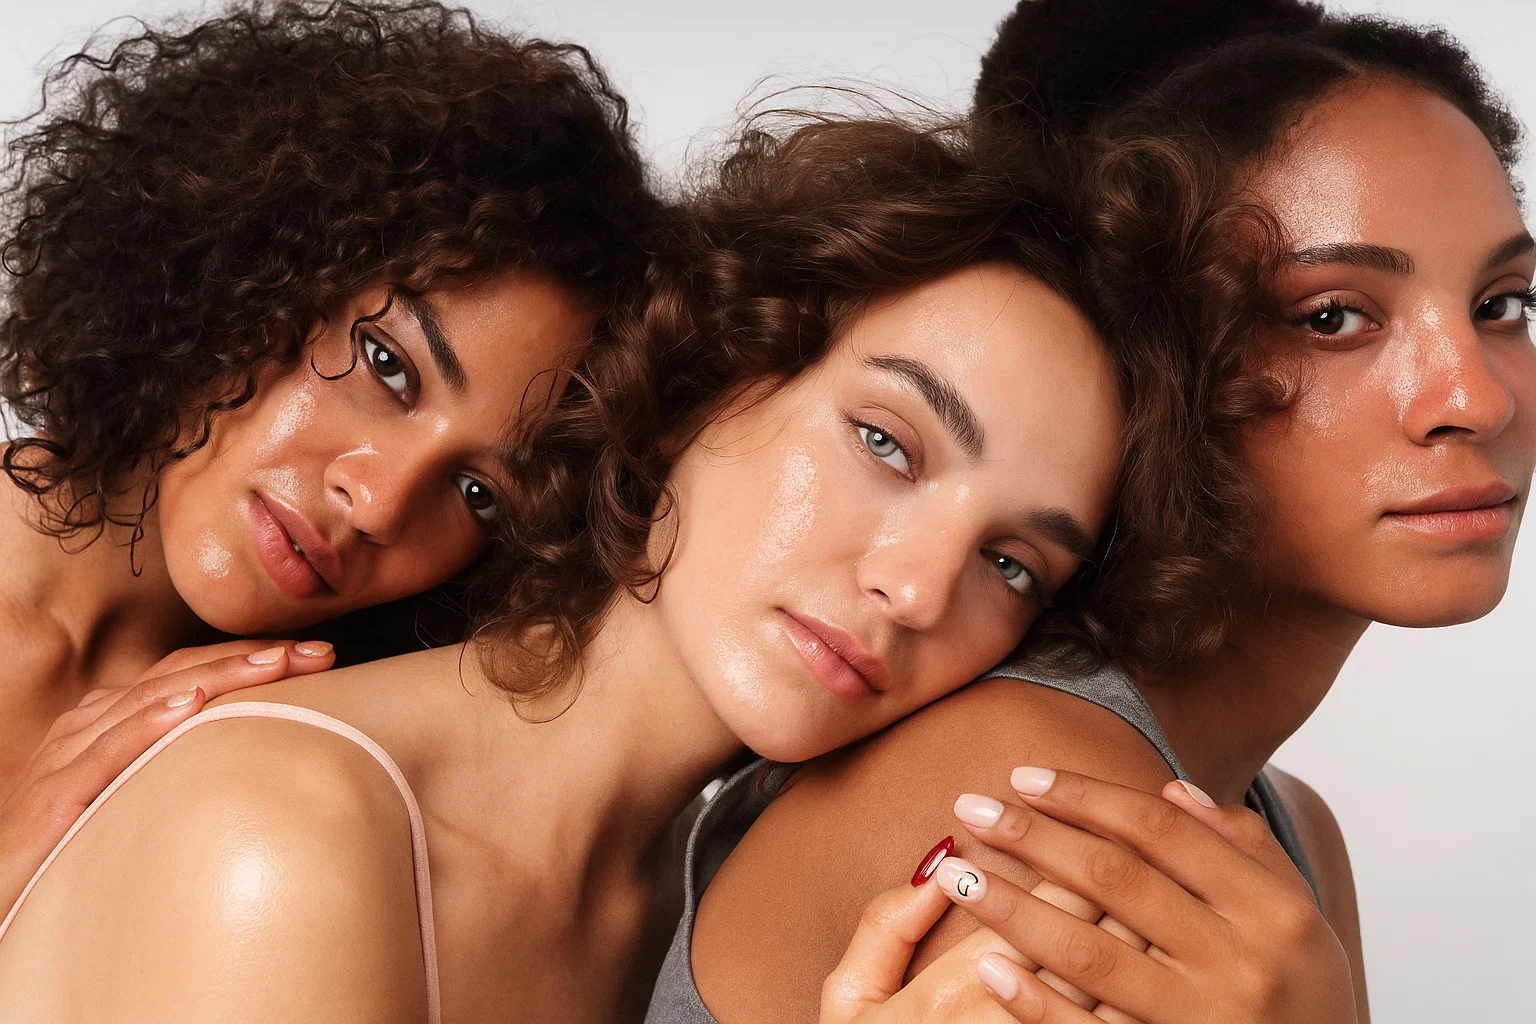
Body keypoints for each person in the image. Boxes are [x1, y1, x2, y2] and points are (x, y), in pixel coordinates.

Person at [0, 109, 1188, 1022]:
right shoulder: (278, 827)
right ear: (711, 373)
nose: (919, 589)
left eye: (1012, 562)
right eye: (886, 442)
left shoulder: (683, 905)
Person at [672, 3, 1534, 1023]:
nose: (1479, 398)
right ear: (1157, 359)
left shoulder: (1290, 830)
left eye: (1503, 304)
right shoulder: (1032, 809)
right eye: (1333, 317)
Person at [0, 0, 661, 806]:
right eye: (387, 366)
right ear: (249, 262)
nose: (380, 504)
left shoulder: (293, 760)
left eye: (479, 494)